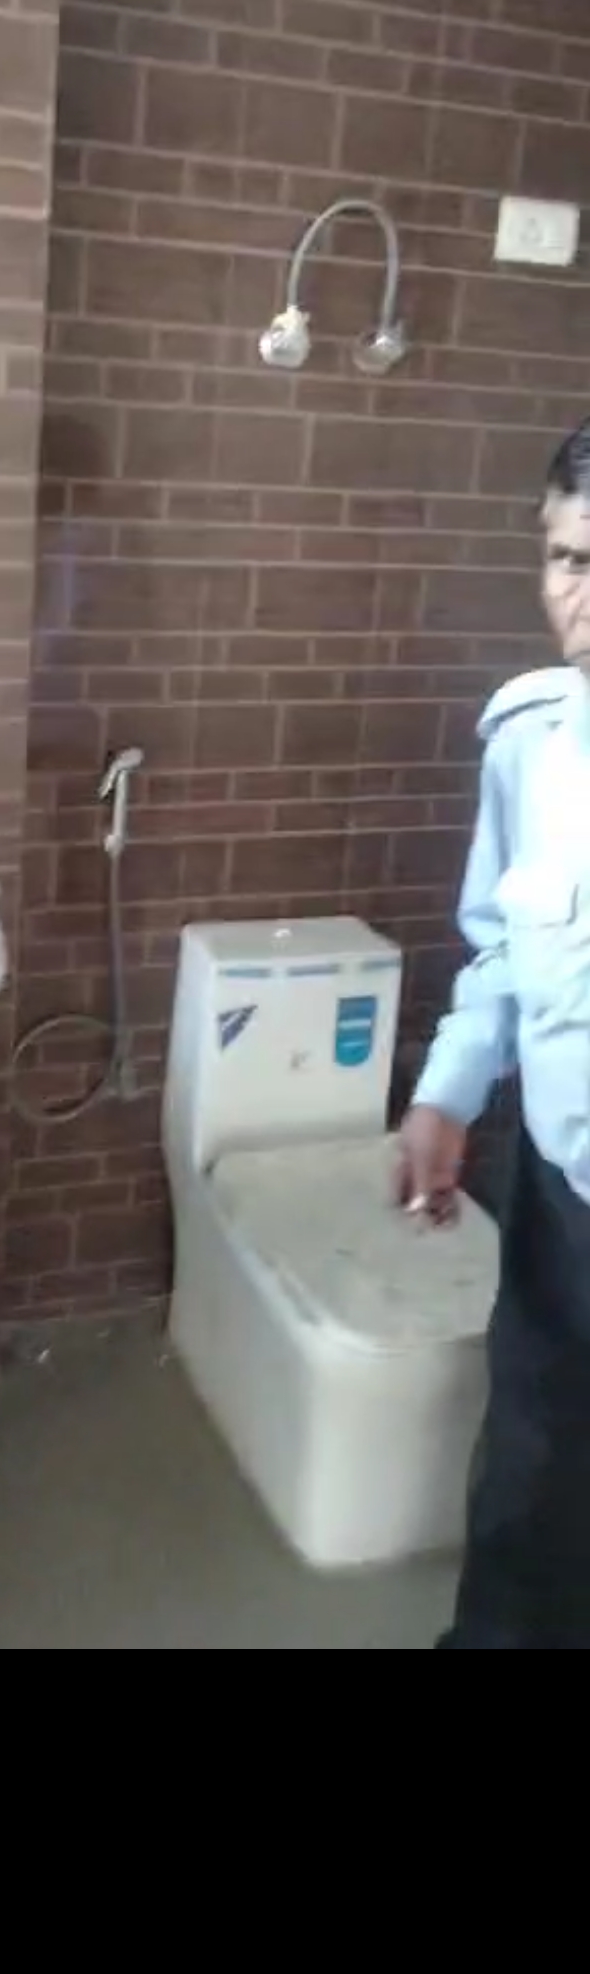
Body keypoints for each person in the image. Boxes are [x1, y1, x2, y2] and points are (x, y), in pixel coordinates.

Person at [395, 415, 590, 1649]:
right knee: (526, 1488)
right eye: (567, 559)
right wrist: (448, 1090)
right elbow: (504, 944)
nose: (581, 597)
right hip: (560, 1198)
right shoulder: (529, 742)